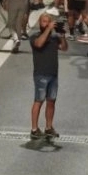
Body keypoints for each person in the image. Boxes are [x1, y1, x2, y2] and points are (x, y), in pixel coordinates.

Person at [30, 12, 67, 140]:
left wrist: (62, 36)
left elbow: (64, 48)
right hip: (41, 75)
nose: (46, 24)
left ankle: (48, 127)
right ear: (40, 23)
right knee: (39, 101)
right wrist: (48, 30)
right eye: (44, 22)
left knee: (51, 101)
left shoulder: (54, 37)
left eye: (48, 21)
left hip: (53, 74)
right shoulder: (35, 36)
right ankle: (34, 129)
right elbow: (39, 44)